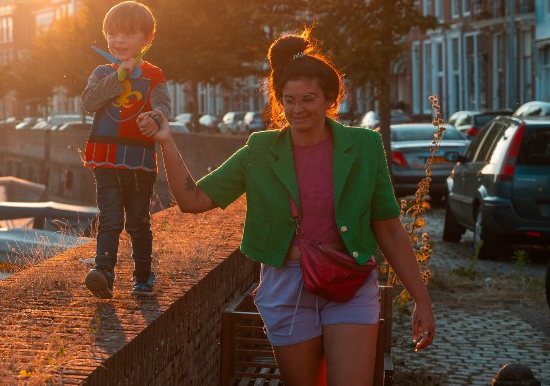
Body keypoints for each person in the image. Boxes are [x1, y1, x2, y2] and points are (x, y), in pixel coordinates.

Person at [136, 31, 434, 385]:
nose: (298, 109)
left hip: (349, 282)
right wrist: (165, 141)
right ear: (279, 102)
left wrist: (422, 300)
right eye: (289, 100)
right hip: (286, 285)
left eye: (308, 98)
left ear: (329, 98)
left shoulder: (365, 146)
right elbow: (193, 200)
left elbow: (389, 229)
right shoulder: (260, 151)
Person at [79, 0, 172, 298]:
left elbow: (163, 107)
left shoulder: (154, 75)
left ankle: (143, 276)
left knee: (138, 220)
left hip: (139, 157)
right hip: (105, 156)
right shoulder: (101, 72)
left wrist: (154, 118)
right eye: (112, 34)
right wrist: (119, 76)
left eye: (127, 34)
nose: (118, 40)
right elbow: (90, 101)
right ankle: (103, 271)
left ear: (147, 39)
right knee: (109, 217)